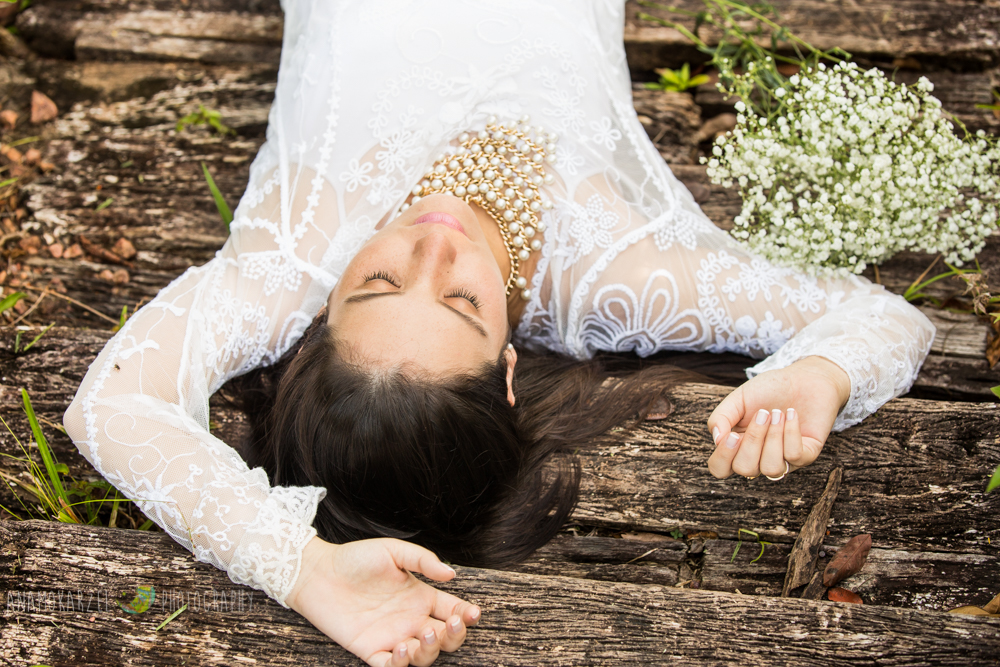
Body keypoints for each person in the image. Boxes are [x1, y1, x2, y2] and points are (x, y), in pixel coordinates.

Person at [63, 1, 934, 665]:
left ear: (318, 319)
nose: (434, 246)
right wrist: (820, 368)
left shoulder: (294, 253)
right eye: (461, 303)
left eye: (378, 280)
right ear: (509, 370)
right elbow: (884, 315)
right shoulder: (623, 279)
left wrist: (295, 564)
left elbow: (111, 406)